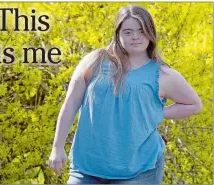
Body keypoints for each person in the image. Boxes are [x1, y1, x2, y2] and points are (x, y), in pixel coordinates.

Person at [48, 4, 202, 184]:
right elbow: (71, 103)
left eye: (141, 31)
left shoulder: (163, 75)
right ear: (118, 34)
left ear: (150, 33)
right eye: (128, 32)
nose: (135, 37)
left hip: (138, 169)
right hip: (86, 167)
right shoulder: (94, 61)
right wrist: (57, 147)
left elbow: (194, 105)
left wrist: (157, 112)